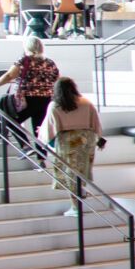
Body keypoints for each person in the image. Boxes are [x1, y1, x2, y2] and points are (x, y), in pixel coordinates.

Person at [45, 77, 104, 213]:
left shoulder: (55, 105)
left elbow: (49, 127)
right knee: (83, 170)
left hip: (67, 142)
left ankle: (75, 206)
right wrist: (99, 138)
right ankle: (81, 195)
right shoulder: (86, 103)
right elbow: (96, 124)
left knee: (69, 174)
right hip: (86, 140)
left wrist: (44, 140)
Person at [0, 37, 59, 140]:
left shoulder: (24, 60)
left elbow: (9, 76)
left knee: (10, 122)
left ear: (26, 47)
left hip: (27, 99)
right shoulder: (50, 63)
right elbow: (57, 79)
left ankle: (26, 146)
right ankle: (41, 155)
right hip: (46, 99)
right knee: (39, 129)